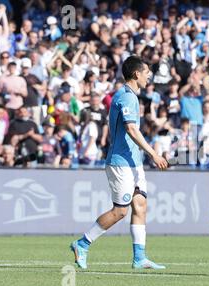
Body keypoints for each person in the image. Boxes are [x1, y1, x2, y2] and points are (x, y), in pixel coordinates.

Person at [70, 56, 169, 270]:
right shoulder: (126, 97)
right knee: (120, 211)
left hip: (134, 162)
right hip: (120, 162)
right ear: (136, 74)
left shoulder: (132, 96)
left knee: (140, 205)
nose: (149, 77)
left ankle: (139, 258)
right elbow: (131, 129)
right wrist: (154, 153)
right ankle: (82, 244)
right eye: (147, 73)